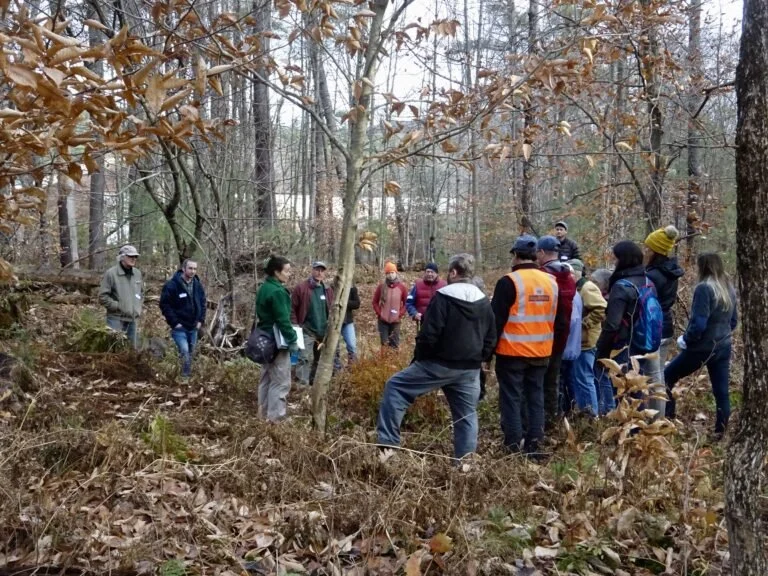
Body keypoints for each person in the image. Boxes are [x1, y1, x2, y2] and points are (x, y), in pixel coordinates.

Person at [377, 254, 496, 460]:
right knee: (466, 416)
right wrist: (478, 358)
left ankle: (387, 448)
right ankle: (465, 465)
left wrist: (420, 359)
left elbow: (428, 335)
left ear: (453, 272)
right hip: (469, 369)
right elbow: (491, 337)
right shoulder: (483, 301)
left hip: (438, 364)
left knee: (395, 387)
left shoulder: (443, 297)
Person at [492, 235, 558, 457]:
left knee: (511, 399)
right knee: (535, 398)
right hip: (542, 352)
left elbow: (495, 321)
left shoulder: (508, 282)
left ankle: (513, 446)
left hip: (512, 352)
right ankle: (534, 444)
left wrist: (486, 353)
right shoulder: (552, 282)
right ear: (536, 255)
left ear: (515, 255)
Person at [664, 253, 737, 438]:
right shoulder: (728, 288)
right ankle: (720, 432)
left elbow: (699, 324)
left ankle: (667, 421)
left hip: (702, 348)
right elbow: (733, 321)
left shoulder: (704, 288)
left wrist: (686, 340)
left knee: (667, 376)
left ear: (702, 267)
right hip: (723, 346)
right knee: (721, 391)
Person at [595, 241, 662, 414]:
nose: (614, 262)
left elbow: (612, 324)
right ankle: (638, 423)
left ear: (623, 259)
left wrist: (601, 351)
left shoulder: (621, 286)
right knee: (636, 387)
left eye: (616, 258)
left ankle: (627, 424)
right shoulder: (648, 282)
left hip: (623, 346)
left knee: (623, 390)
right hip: (644, 342)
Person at [643, 226, 684, 417]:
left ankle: (656, 420)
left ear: (655, 251)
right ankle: (658, 416)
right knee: (658, 373)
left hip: (654, 328)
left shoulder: (652, 276)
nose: (645, 251)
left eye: (648, 248)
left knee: (654, 378)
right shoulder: (670, 271)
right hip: (666, 326)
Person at [536, 235, 576, 429]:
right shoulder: (569, 277)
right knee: (552, 382)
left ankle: (537, 423)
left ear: (542, 252)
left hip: (542, 338)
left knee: (537, 383)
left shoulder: (543, 277)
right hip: (562, 337)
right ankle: (552, 422)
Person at [255, 256, 298, 421]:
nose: (289, 274)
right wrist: (292, 339)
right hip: (277, 340)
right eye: (286, 271)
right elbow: (283, 321)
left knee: (266, 377)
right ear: (276, 272)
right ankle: (275, 419)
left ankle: (263, 414)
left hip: (264, 339)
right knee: (281, 381)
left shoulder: (264, 288)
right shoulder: (278, 292)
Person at [568, 259, 607, 416]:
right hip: (579, 341)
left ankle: (591, 414)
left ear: (576, 273)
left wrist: (584, 324)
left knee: (585, 377)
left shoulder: (587, 287)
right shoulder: (577, 288)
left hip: (587, 341)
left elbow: (601, 308)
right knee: (581, 377)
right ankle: (586, 410)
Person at [159, 259, 206, 378]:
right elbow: (165, 305)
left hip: (194, 326)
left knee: (191, 352)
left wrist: (200, 320)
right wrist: (175, 323)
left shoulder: (197, 284)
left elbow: (203, 303)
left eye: (195, 269)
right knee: (184, 351)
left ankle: (187, 376)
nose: (193, 271)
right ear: (183, 269)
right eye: (190, 268)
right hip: (179, 327)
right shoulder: (172, 285)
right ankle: (185, 377)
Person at [291, 261, 334, 386]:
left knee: (319, 359)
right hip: (307, 330)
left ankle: (313, 383)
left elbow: (332, 309)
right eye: (317, 270)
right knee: (303, 358)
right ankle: (302, 385)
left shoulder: (327, 289)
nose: (319, 273)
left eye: (322, 270)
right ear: (312, 270)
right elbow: (292, 308)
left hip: (323, 331)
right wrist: (295, 325)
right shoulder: (301, 288)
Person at [99, 244, 144, 348]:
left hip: (133, 319)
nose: (134, 259)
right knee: (114, 348)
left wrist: (138, 307)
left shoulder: (137, 273)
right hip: (115, 319)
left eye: (135, 256)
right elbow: (102, 296)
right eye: (130, 256)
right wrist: (118, 306)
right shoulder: (111, 273)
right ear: (122, 257)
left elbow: (141, 293)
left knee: (132, 350)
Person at [560, 263, 583, 415]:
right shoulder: (576, 294)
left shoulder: (570, 295)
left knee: (565, 382)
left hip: (566, 348)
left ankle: (566, 413)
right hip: (572, 347)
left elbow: (572, 321)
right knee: (569, 380)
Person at [372, 262, 408, 348]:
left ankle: (394, 357)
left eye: (392, 272)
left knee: (394, 345)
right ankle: (384, 357)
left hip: (395, 321)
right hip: (383, 321)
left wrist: (399, 314)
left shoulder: (402, 287)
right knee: (384, 345)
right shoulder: (381, 287)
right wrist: (380, 313)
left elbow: (406, 303)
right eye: (388, 273)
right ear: (386, 274)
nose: (390, 275)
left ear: (396, 273)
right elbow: (374, 302)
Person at [341, 280, 360, 363]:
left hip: (347, 321)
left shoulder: (352, 288)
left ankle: (352, 366)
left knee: (352, 346)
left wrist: (344, 302)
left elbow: (357, 304)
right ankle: (336, 367)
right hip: (335, 322)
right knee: (334, 348)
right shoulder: (333, 287)